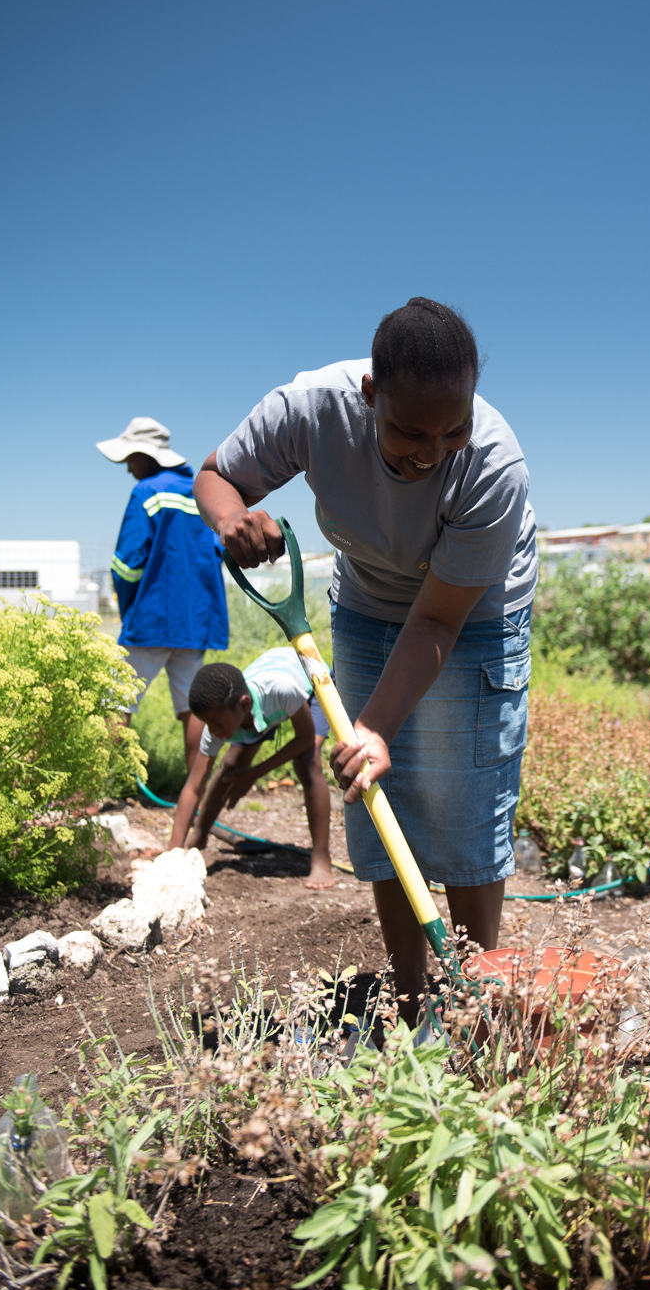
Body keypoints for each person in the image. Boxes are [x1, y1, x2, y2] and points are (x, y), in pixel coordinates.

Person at [193, 297, 537, 1021]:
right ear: (370, 396)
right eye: (410, 431)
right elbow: (218, 474)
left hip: (470, 611)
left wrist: (375, 723)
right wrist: (230, 519)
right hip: (368, 602)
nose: (432, 450)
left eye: (454, 429)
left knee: (464, 803)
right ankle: (412, 1001)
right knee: (388, 801)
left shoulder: (493, 466)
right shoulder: (311, 407)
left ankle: (474, 1006)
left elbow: (440, 617)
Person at [97, 417, 229, 773]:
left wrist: (130, 610)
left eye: (130, 459)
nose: (128, 469)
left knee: (118, 699)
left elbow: (127, 564)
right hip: (195, 624)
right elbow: (218, 553)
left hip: (152, 619)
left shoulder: (147, 491)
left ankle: (91, 793)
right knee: (192, 706)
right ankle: (195, 795)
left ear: (146, 456)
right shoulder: (201, 492)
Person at [168, 651, 334, 888]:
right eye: (208, 724)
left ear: (243, 705)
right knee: (230, 766)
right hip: (261, 704)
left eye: (217, 724)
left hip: (312, 680)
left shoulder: (282, 690)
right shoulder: (222, 716)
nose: (213, 731)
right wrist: (172, 854)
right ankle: (199, 835)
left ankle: (321, 857)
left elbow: (305, 738)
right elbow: (193, 787)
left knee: (308, 762)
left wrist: (254, 774)